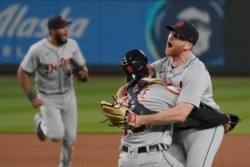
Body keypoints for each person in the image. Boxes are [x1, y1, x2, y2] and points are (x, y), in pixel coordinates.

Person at [117, 21, 225, 167]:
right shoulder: (160, 65)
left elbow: (181, 114)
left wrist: (139, 120)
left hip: (204, 128)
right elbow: (131, 85)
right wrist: (119, 99)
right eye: (171, 33)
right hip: (175, 128)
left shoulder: (195, 71)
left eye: (178, 36)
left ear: (188, 45)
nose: (171, 37)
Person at [17, 15, 89, 167]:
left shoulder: (72, 45)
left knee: (70, 139)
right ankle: (41, 123)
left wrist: (82, 75)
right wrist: (32, 98)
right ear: (52, 30)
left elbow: (83, 69)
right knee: (57, 136)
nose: (66, 30)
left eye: (66, 27)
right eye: (62, 28)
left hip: (69, 95)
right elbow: (22, 72)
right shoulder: (37, 50)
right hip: (48, 98)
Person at [118, 49, 184, 167]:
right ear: (148, 66)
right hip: (152, 159)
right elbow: (188, 108)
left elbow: (125, 88)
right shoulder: (162, 89)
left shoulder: (127, 96)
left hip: (125, 160)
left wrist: (118, 99)